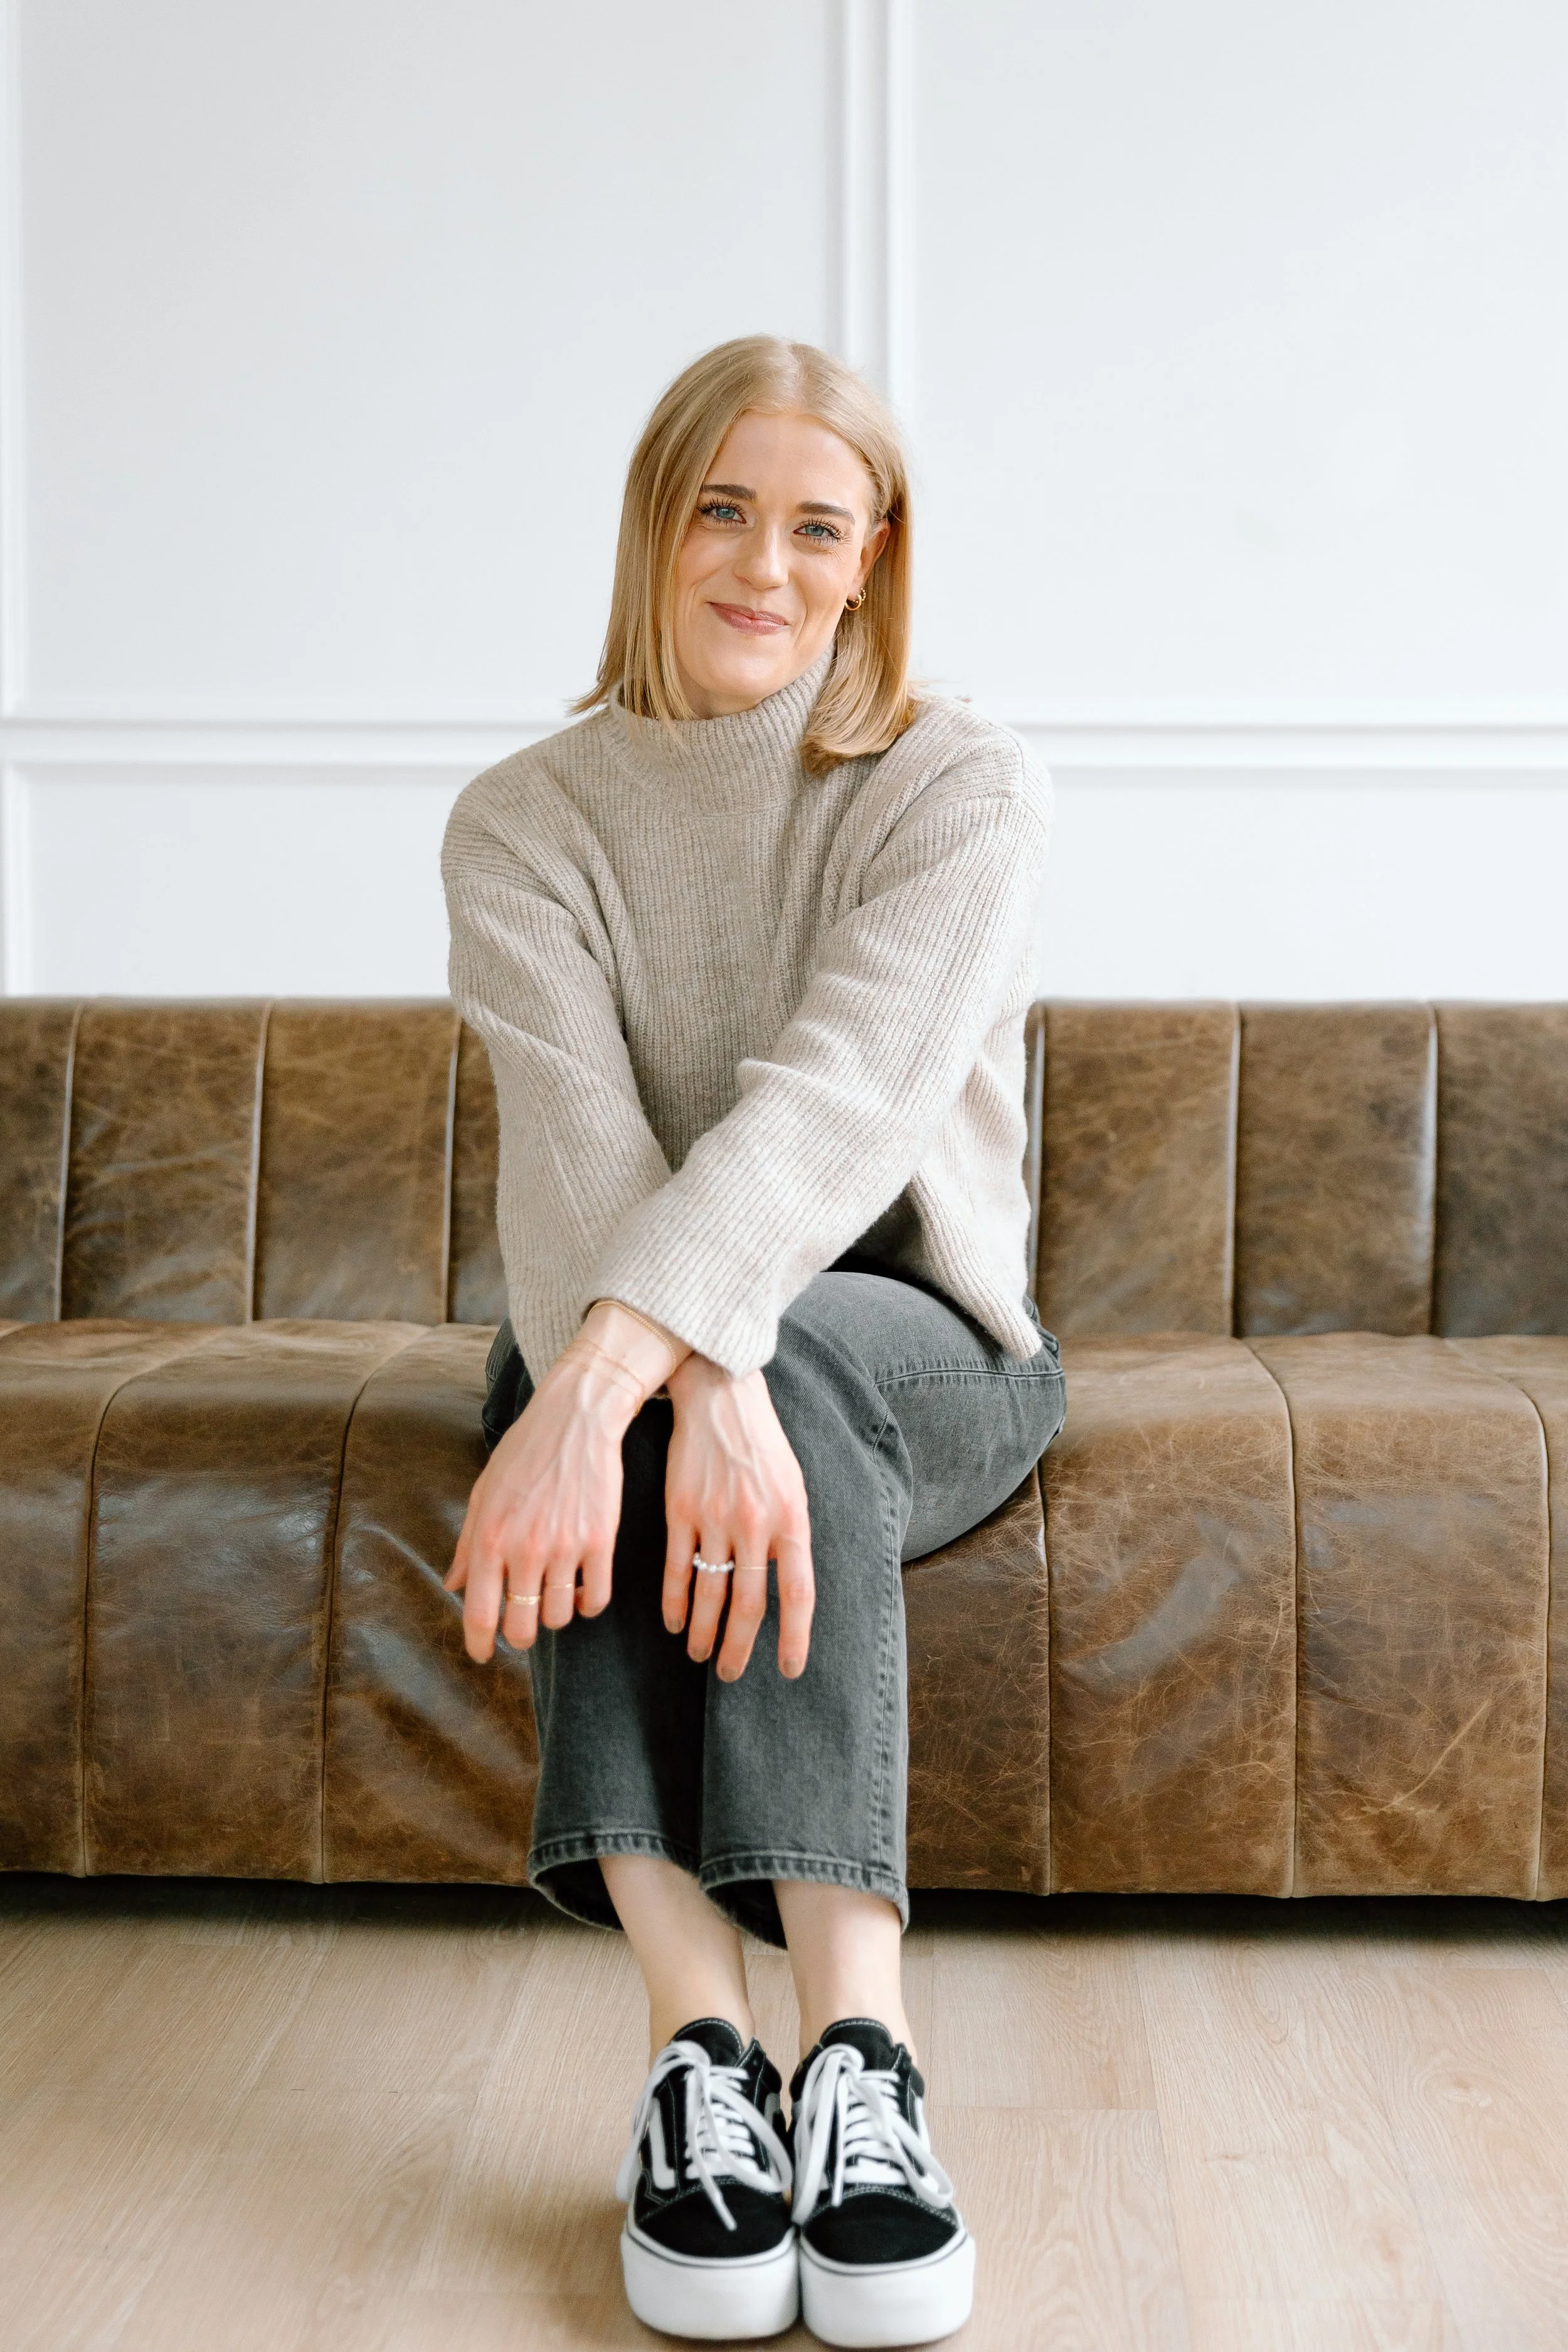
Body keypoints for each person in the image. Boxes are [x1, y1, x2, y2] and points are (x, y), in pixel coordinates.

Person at [440, 334, 1064, 2348]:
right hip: (623, 1305)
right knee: (581, 1377)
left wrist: (686, 1370)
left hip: (924, 1337)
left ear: (873, 557)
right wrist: (660, 1375)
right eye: (722, 508)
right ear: (654, 522)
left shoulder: (958, 785)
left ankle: (855, 2061)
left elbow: (833, 1108)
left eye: (818, 524)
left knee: (652, 1377)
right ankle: (697, 2049)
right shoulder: (523, 822)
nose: (764, 565)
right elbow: (581, 1156)